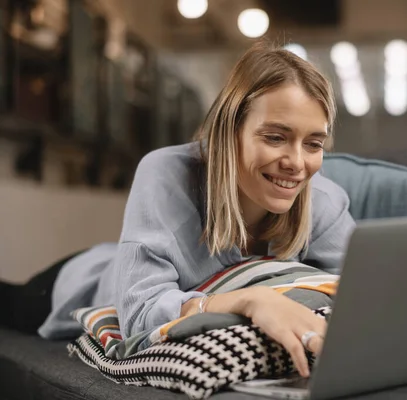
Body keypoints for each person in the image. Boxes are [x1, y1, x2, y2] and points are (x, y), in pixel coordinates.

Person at [0, 42, 356, 378]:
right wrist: (249, 301)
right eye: (275, 137)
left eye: (313, 143)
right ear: (229, 132)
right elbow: (139, 313)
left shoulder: (324, 200)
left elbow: (356, 292)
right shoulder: (166, 173)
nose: (296, 163)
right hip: (81, 283)